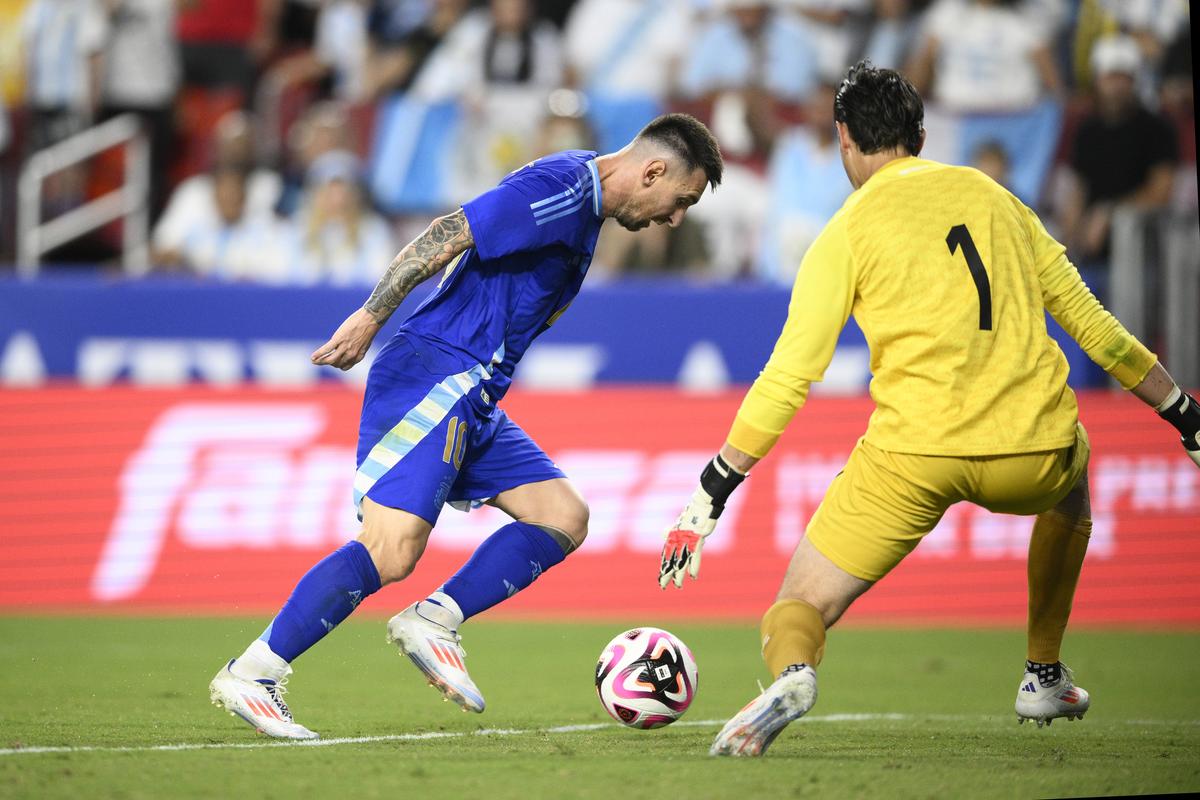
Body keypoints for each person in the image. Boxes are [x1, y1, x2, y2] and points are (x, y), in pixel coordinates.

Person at [656, 62, 1200, 758]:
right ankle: (1042, 672)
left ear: (845, 140)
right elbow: (1095, 327)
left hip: (913, 458)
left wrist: (714, 488)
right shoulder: (997, 198)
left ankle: (794, 674)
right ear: (919, 133)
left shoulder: (844, 231)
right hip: (1030, 453)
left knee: (798, 605)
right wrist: (1184, 415)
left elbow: (790, 374)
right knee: (1074, 466)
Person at [209, 113, 723, 740]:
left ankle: (435, 619)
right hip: (437, 372)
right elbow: (448, 233)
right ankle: (255, 673)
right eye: (681, 201)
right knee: (391, 549)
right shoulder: (561, 191)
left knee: (562, 515)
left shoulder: (585, 202)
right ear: (653, 171)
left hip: (473, 392)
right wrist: (372, 317)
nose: (675, 219)